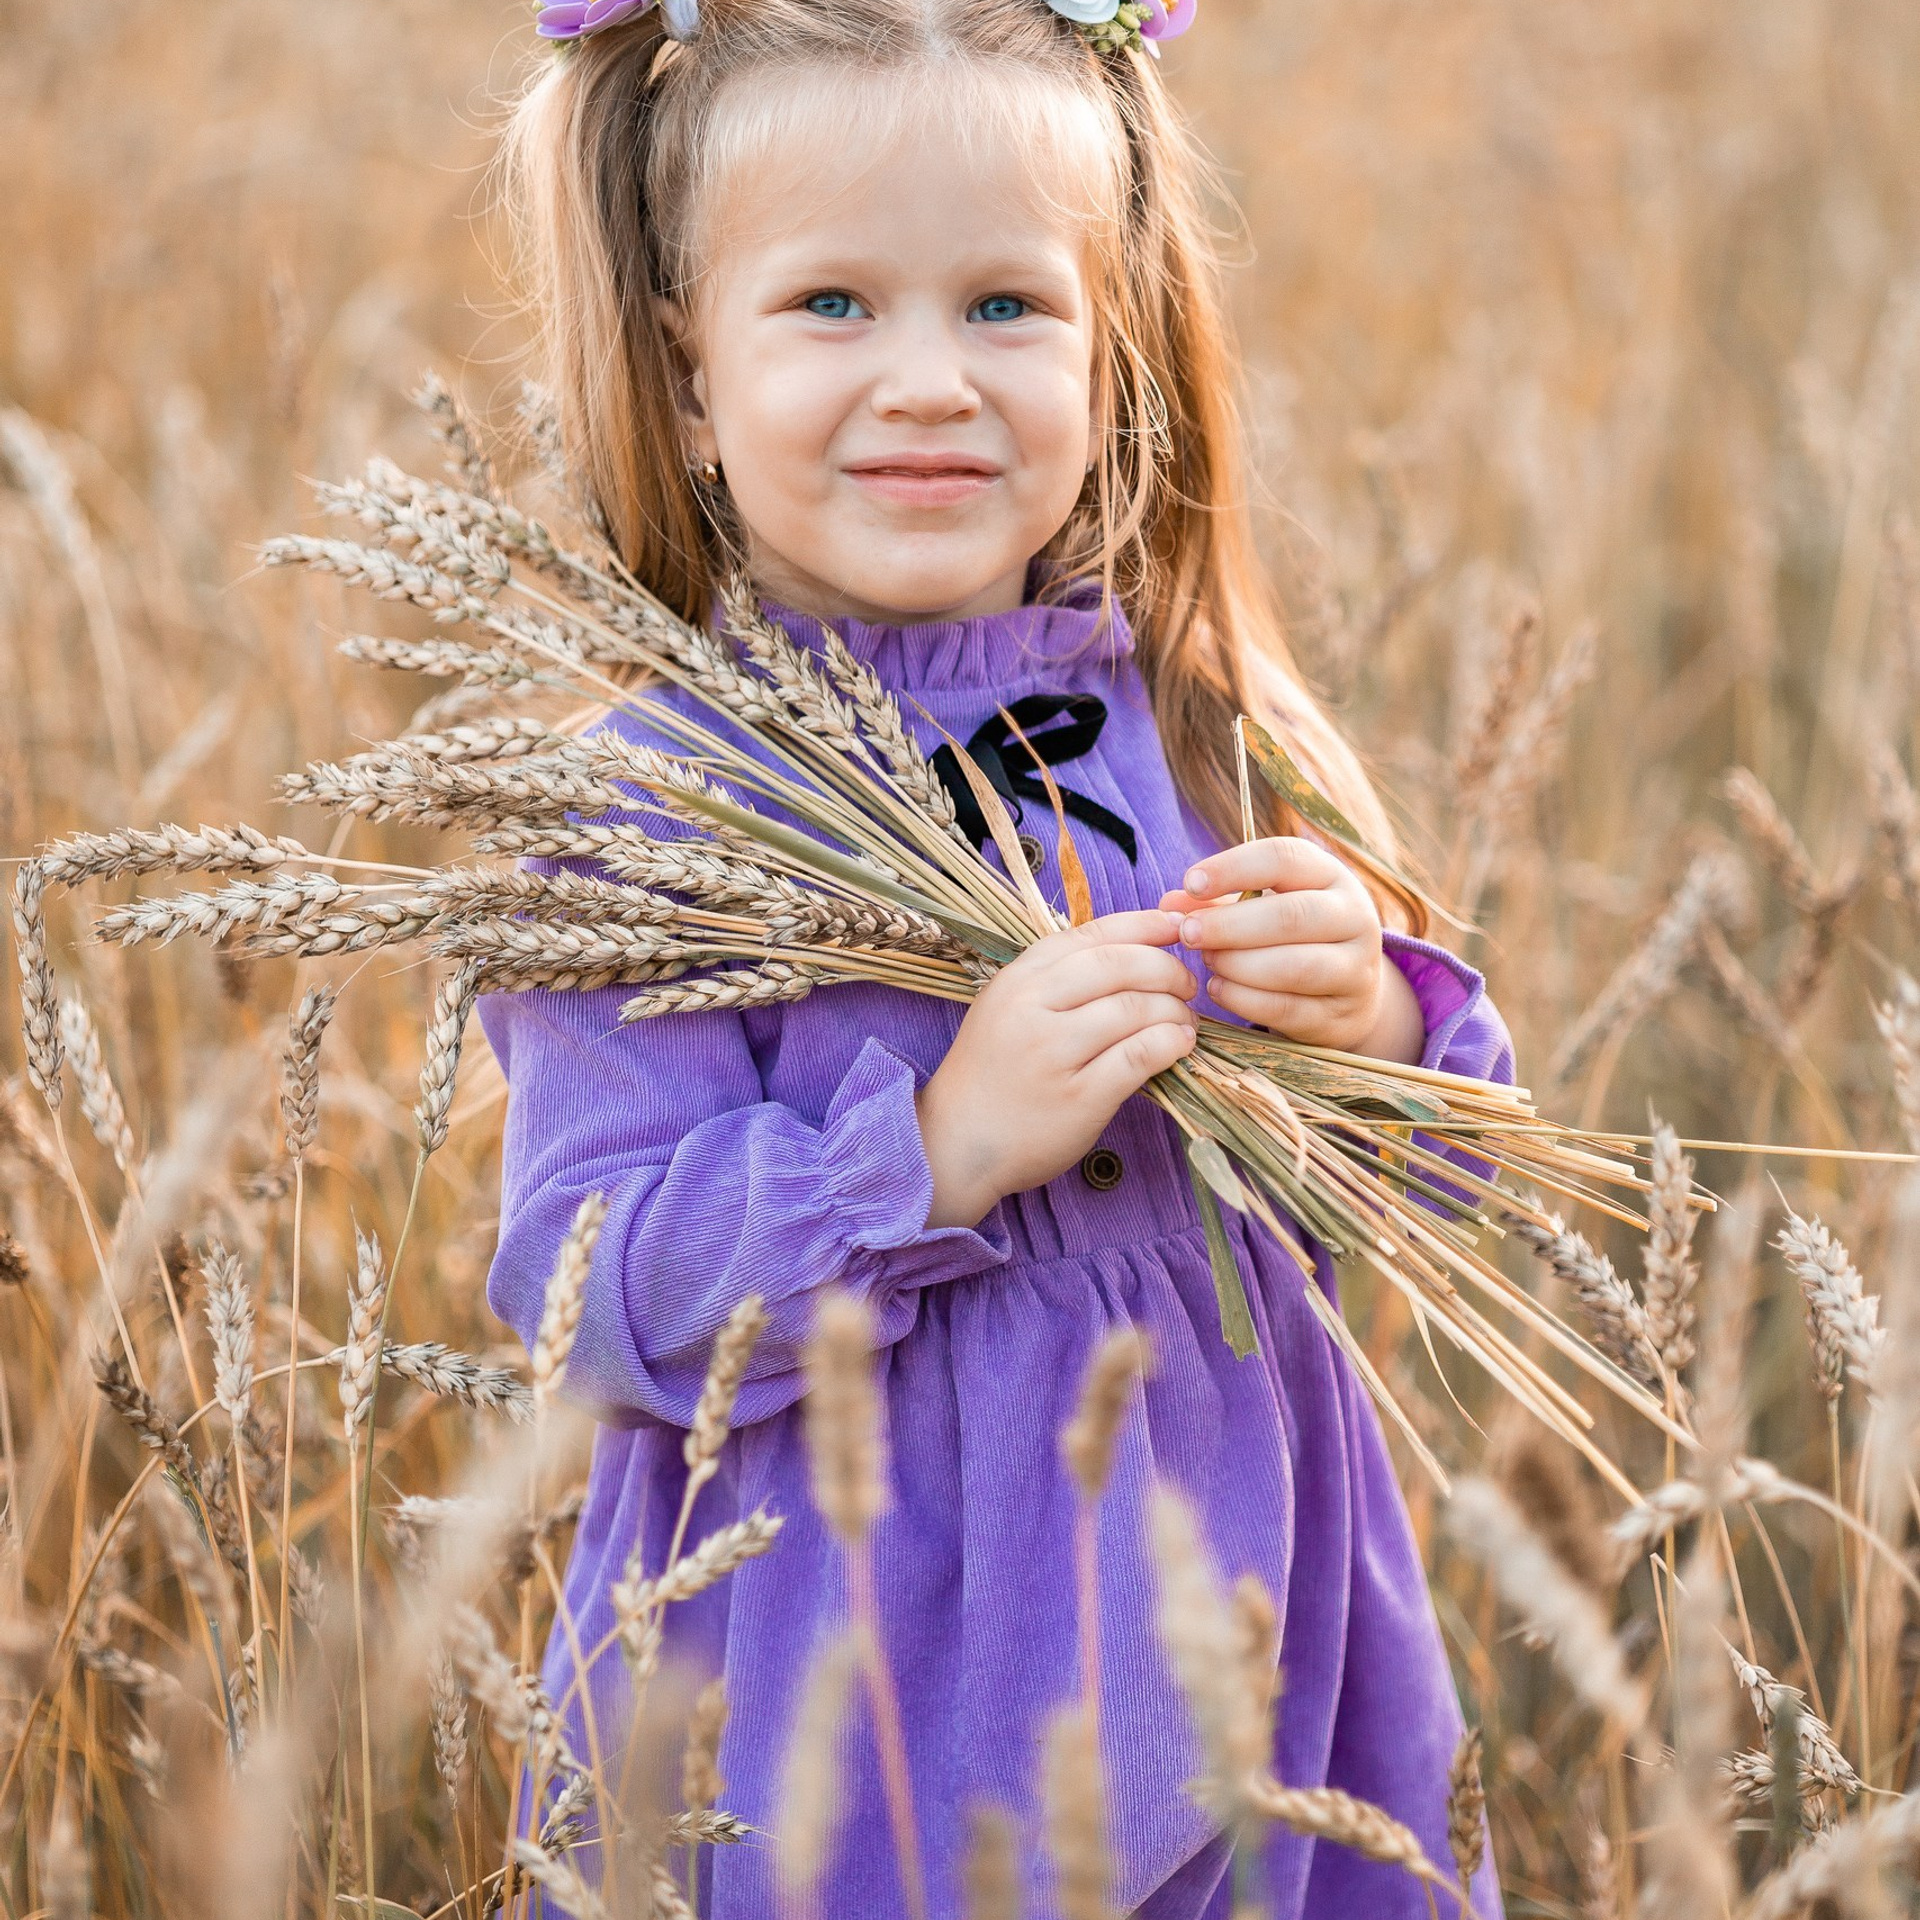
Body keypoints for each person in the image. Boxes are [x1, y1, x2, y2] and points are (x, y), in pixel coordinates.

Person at [483, 0, 1510, 1910]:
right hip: (856, 1677)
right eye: (835, 308)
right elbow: (592, 1301)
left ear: (1114, 351)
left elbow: (1442, 1189)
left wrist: (1371, 1013)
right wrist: (935, 1152)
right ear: (687, 373)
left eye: (1007, 308)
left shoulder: (1197, 723)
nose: (932, 382)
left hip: (1247, 1627)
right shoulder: (653, 814)